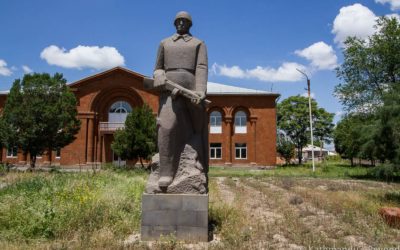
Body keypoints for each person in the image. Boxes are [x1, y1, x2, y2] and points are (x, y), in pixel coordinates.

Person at [153, 11, 208, 188]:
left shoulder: (198, 43)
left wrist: (200, 91)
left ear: (190, 24)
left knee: (196, 128)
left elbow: (201, 67)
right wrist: (160, 75)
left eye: (185, 21)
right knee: (167, 127)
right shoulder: (165, 43)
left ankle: (198, 164)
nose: (181, 23)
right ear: (174, 23)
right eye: (178, 21)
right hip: (169, 92)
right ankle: (166, 173)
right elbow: (157, 68)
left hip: (191, 90)